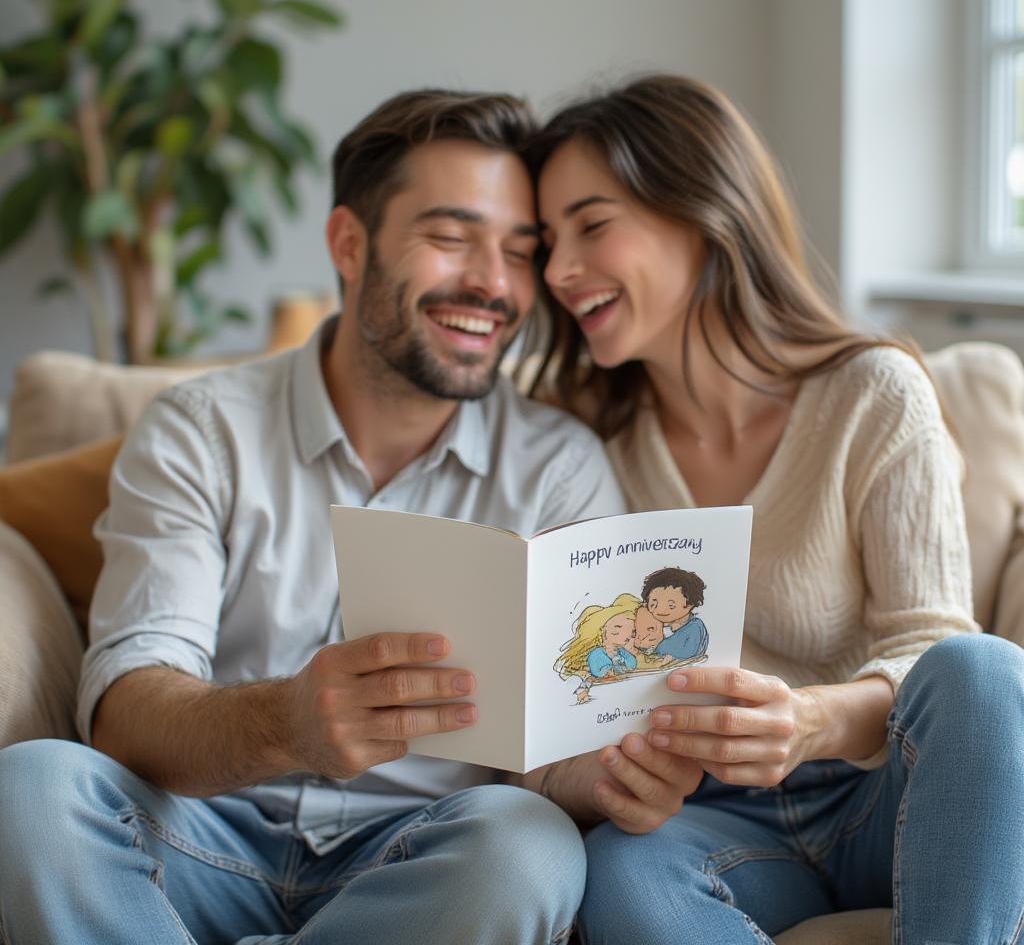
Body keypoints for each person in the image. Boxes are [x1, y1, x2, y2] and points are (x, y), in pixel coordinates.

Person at [0, 89, 643, 945]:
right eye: (451, 237)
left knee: (530, 848)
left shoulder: (562, 469)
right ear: (349, 242)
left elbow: (557, 751)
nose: (493, 284)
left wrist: (608, 775)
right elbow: (124, 706)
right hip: (195, 839)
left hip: (414, 863)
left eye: (521, 253)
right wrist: (286, 723)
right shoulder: (203, 429)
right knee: (34, 789)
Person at [531, 74, 1024, 943]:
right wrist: (603, 777)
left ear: (702, 211)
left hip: (883, 793)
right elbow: (558, 699)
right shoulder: (583, 444)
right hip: (721, 824)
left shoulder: (873, 395)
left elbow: (930, 644)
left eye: (592, 225)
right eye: (546, 242)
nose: (559, 272)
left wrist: (811, 722)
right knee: (618, 875)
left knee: (984, 670)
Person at [642, 566, 709, 662]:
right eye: (654, 604)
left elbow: (676, 653)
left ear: (690, 604)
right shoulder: (663, 626)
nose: (660, 611)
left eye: (671, 605)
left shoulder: (694, 627)